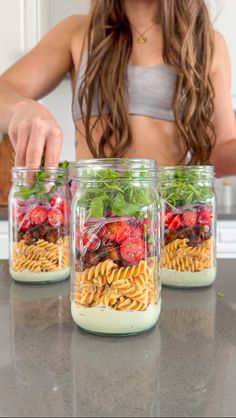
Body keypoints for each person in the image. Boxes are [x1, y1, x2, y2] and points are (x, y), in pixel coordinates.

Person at [0, 0, 235, 177]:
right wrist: (22, 109)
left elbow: (219, 154)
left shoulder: (207, 43)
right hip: (95, 222)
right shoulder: (77, 32)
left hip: (168, 222)